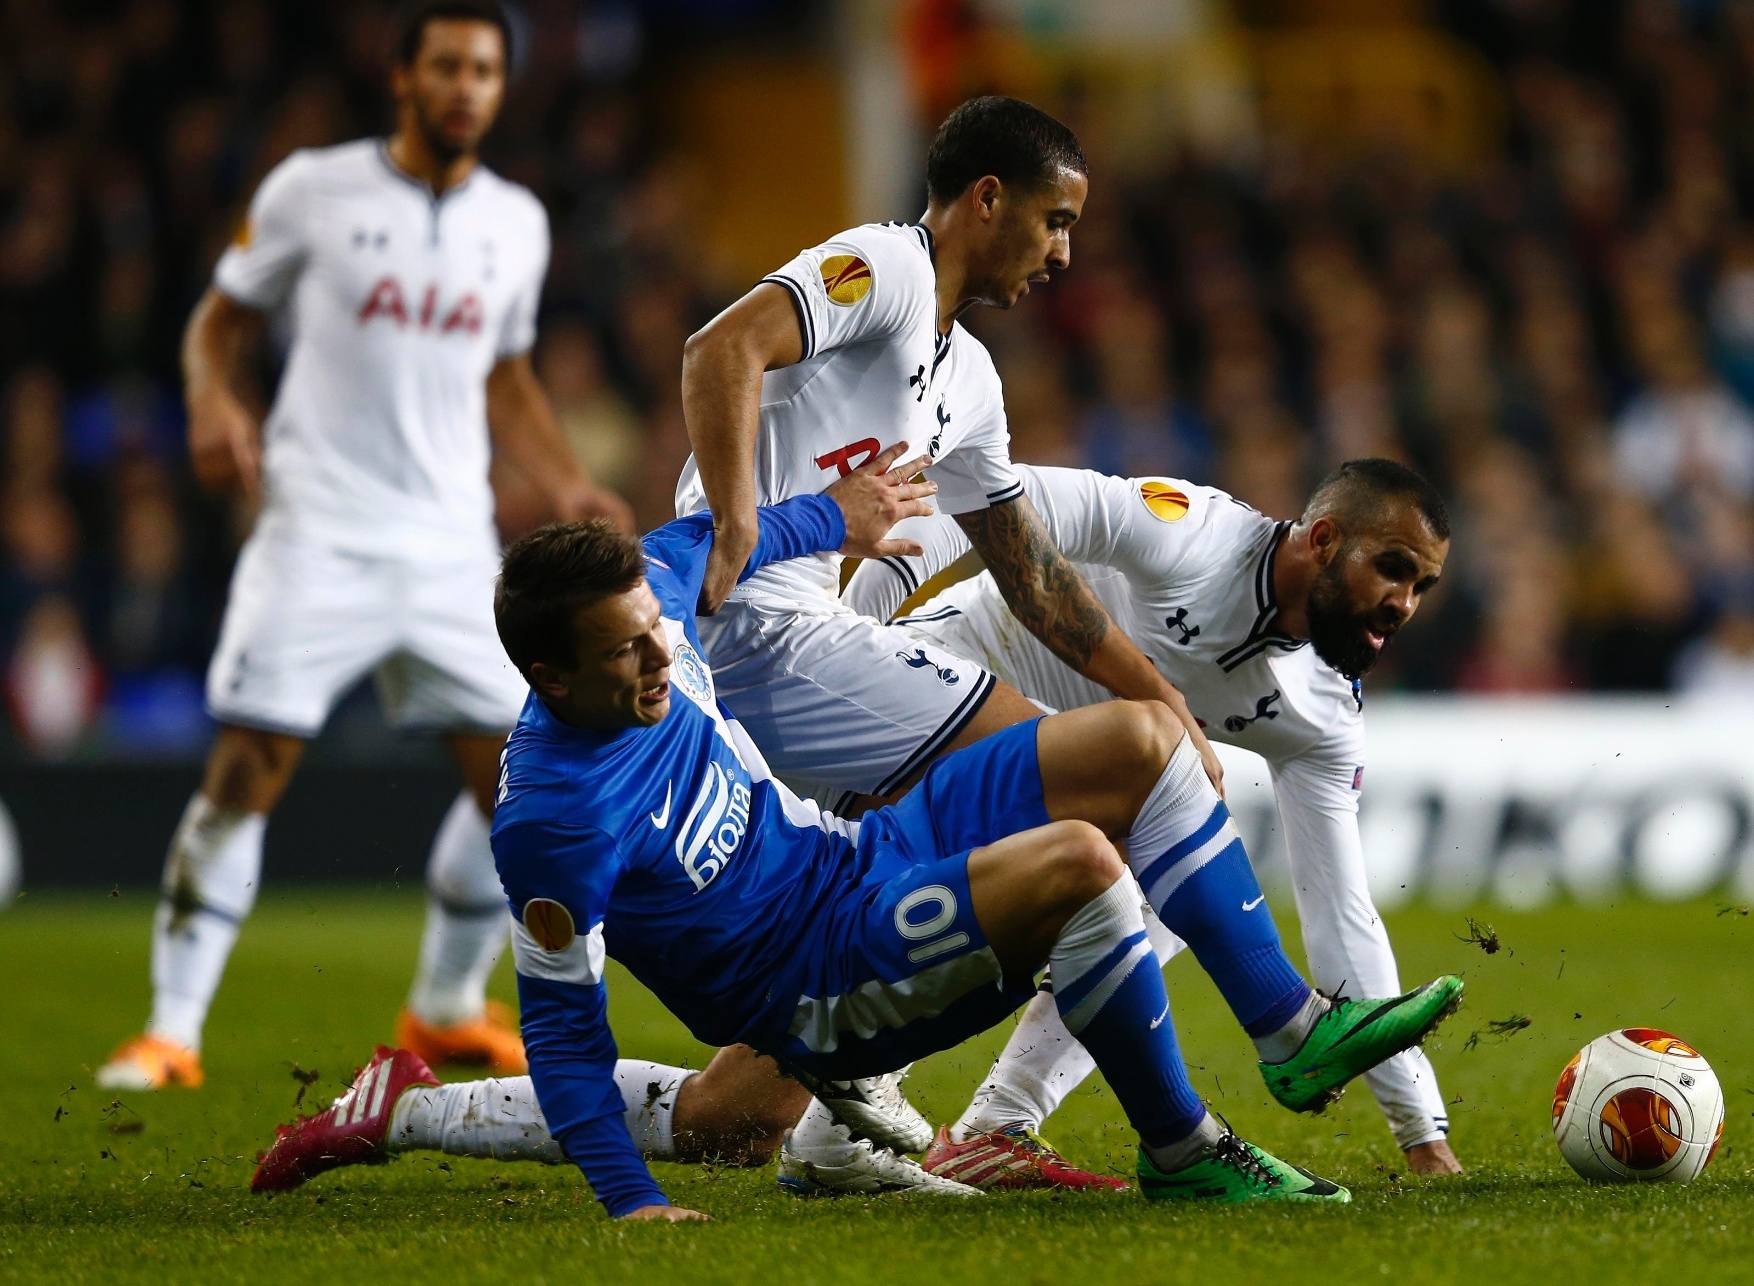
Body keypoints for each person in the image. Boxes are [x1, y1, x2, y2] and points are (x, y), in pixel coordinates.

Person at [252, 484, 1461, 1216]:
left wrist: (848, 516)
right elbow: (565, 1026)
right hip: (817, 979)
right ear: (548, 675)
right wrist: (630, 1204)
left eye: (654, 633)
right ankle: (1186, 1148)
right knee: (1086, 864)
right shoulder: (553, 818)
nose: (662, 660)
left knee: (1146, 738)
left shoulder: (653, 604)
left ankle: (1293, 1035)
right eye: (626, 656)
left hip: (856, 855)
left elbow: (727, 532)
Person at [98, 1, 629, 1091]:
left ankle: (440, 1003)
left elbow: (505, 377)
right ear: (403, 75)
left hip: (446, 543)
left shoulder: (515, 223)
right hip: (320, 528)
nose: (466, 85)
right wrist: (211, 398)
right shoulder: (314, 190)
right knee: (250, 763)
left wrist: (565, 478)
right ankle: (172, 1028)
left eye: (485, 68)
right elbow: (219, 317)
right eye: (446, 64)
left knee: (522, 782)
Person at [842, 458, 1468, 1177]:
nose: (1405, 602)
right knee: (1167, 822)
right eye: (1392, 568)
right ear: (1323, 539)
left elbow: (1340, 908)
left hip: (1036, 781)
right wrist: (854, 631)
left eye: (1421, 586)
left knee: (1177, 871)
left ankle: (989, 1122)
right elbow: (976, 495)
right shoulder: (1192, 532)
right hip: (923, 689)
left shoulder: (1323, 712)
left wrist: (1422, 1135)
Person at [679, 95, 1220, 813]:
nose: (1064, 253)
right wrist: (735, 523)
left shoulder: (971, 378)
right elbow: (720, 347)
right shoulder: (889, 265)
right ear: (989, 198)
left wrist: (1166, 702)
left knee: (987, 838)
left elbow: (1034, 578)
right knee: (1087, 780)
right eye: (1056, 221)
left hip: (804, 628)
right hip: (750, 618)